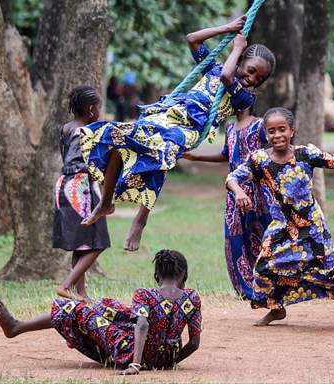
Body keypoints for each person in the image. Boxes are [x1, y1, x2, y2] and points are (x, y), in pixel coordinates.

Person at [79, 15, 276, 250]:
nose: (252, 78)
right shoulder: (212, 68)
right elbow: (192, 39)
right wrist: (228, 28)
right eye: (251, 70)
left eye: (259, 78)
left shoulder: (243, 96)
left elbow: (227, 76)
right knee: (119, 138)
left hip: (188, 130)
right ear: (242, 61)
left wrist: (237, 48)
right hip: (168, 116)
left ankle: (141, 220)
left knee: (163, 154)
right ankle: (106, 201)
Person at [226, 107, 334, 327]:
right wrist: (238, 192)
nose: (277, 135)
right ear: (266, 134)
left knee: (331, 272)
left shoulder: (306, 154)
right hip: (282, 228)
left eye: (282, 130)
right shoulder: (260, 160)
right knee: (264, 268)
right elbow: (232, 178)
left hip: (312, 229)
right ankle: (276, 308)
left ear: (292, 131)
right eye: (272, 131)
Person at [0, 250, 202, 374]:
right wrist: (169, 362)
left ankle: (16, 327)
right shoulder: (192, 298)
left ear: (156, 276)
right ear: (185, 276)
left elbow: (143, 325)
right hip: (167, 357)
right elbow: (193, 344)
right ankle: (77, 332)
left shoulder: (145, 294)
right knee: (105, 306)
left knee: (72, 308)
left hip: (130, 353)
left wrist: (137, 363)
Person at [183, 109, 271, 299]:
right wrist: (196, 157)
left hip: (260, 193)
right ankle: (246, 290)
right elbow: (226, 154)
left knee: (263, 237)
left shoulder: (260, 125)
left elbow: (274, 150)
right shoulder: (230, 127)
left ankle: (270, 286)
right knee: (235, 239)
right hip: (234, 191)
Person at [53, 86, 111, 301]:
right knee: (99, 243)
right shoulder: (85, 131)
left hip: (63, 185)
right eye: (98, 107)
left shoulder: (65, 128)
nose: (99, 111)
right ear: (90, 110)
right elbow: (78, 163)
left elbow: (65, 159)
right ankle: (67, 285)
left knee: (81, 244)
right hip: (81, 187)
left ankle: (81, 293)